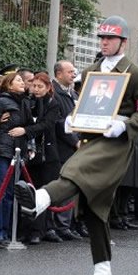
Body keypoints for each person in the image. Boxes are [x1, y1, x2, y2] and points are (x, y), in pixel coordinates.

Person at [14, 15, 138, 275]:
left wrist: (124, 125)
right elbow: (86, 105)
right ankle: (103, 274)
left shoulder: (137, 74)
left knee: (75, 173)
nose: (104, 42)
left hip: (114, 144)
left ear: (123, 42)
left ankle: (40, 199)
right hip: (91, 139)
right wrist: (72, 120)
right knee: (94, 208)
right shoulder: (90, 71)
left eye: (110, 38)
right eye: (101, 37)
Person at [0, 73, 33, 245]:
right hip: (3, 151)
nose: (22, 82)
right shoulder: (1, 102)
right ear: (9, 85)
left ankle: (7, 231)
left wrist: (25, 133)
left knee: (12, 193)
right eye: (18, 80)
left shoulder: (24, 102)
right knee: (0, 192)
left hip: (18, 152)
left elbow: (29, 125)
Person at [23, 72, 65, 244]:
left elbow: (47, 125)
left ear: (48, 88)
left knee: (46, 191)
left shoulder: (52, 103)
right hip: (31, 153)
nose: (37, 90)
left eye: (40, 86)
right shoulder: (27, 102)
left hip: (48, 153)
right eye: (34, 86)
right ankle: (33, 229)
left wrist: (27, 131)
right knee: (31, 190)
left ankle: (47, 228)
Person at [51, 60, 84, 240]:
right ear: (59, 74)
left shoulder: (72, 93)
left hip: (75, 146)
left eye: (74, 71)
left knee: (72, 186)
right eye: (70, 71)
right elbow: (58, 122)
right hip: (61, 147)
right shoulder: (54, 92)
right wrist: (74, 141)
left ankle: (67, 224)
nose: (73, 74)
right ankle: (58, 225)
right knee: (61, 186)